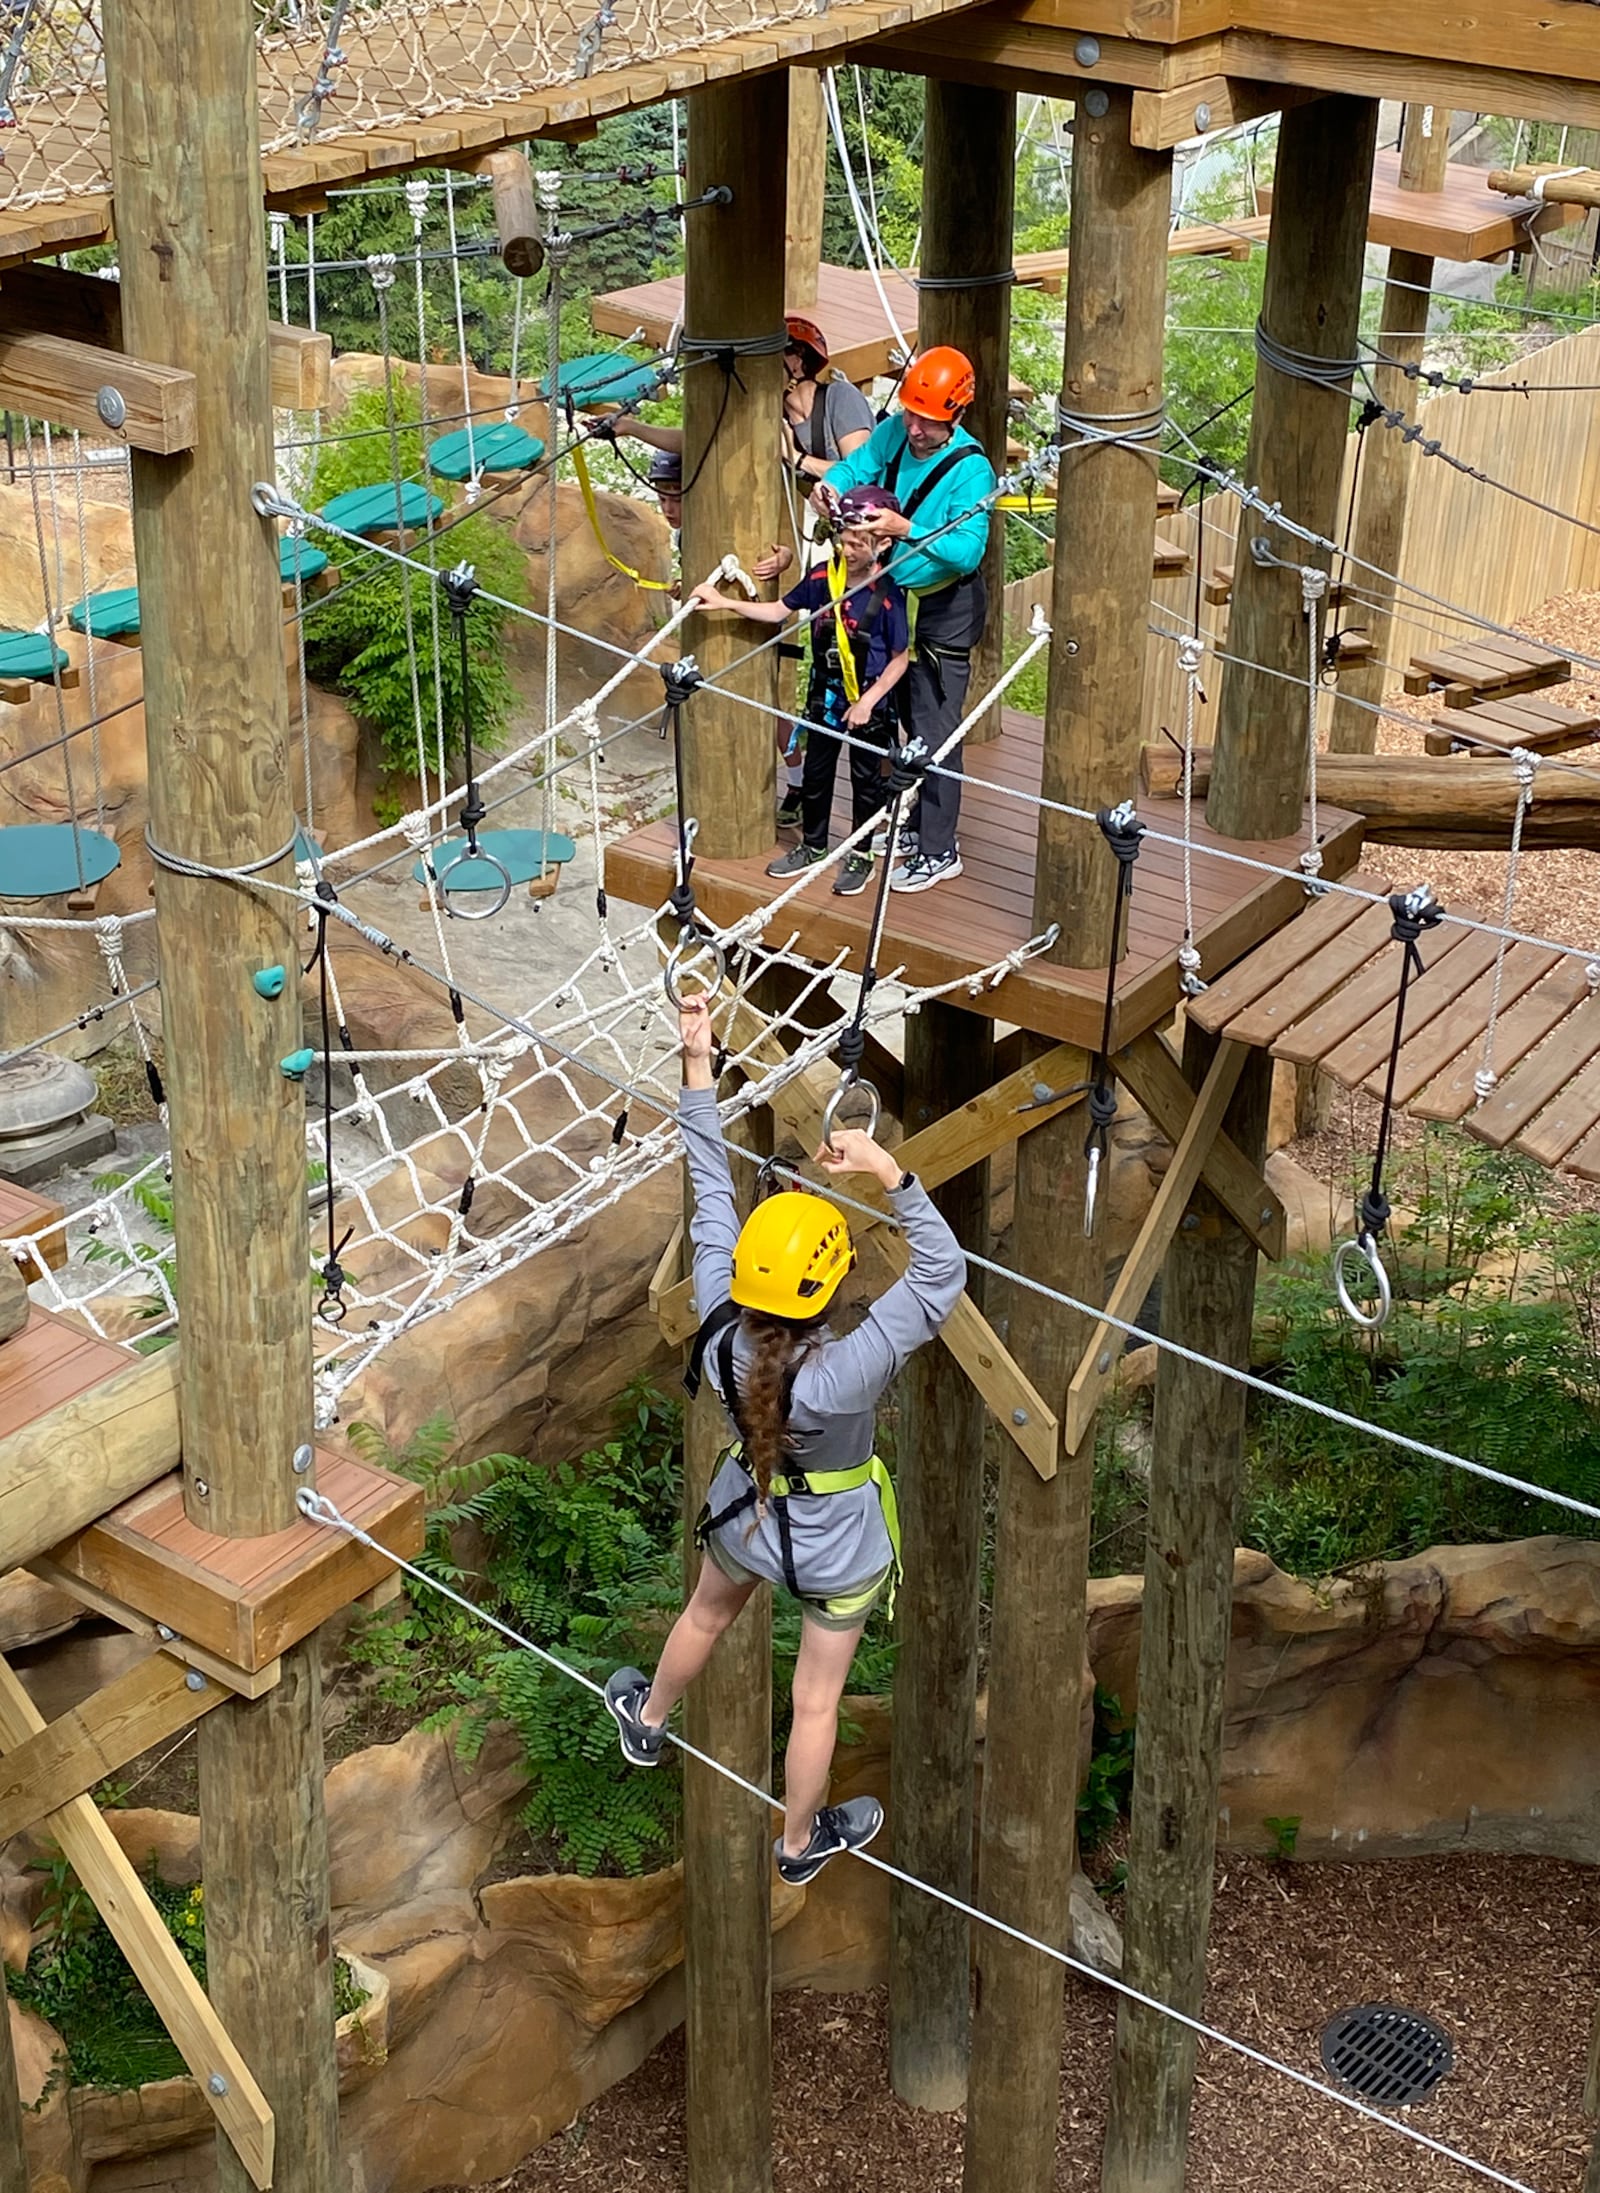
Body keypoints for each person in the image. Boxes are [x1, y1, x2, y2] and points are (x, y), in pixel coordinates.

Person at [604, 998, 965, 1884]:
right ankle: (800, 1842)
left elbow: (710, 1188)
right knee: (814, 1700)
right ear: (833, 1285)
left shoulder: (722, 1323)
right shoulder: (844, 1373)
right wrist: (886, 1168)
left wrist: (698, 1071)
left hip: (751, 1515)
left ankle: (648, 1718)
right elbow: (943, 1272)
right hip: (836, 1550)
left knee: (704, 1612)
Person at [812, 346, 996, 896]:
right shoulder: (896, 430)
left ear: (956, 417)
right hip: (894, 595)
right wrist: (833, 489)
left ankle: (940, 848)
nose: (914, 428)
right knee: (903, 717)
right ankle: (917, 826)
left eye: (928, 421)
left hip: (944, 606)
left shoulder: (972, 469)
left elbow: (966, 551)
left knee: (936, 725)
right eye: (911, 414)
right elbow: (857, 465)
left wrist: (903, 526)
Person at [691, 486, 910, 897]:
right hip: (826, 695)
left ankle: (862, 852)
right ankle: (813, 844)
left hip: (867, 700)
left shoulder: (887, 596)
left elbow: (900, 658)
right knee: (816, 773)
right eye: (844, 540)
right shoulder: (822, 578)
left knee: (865, 781)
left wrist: (868, 701)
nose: (847, 549)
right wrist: (723, 602)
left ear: (882, 544)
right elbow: (778, 611)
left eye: (858, 543)